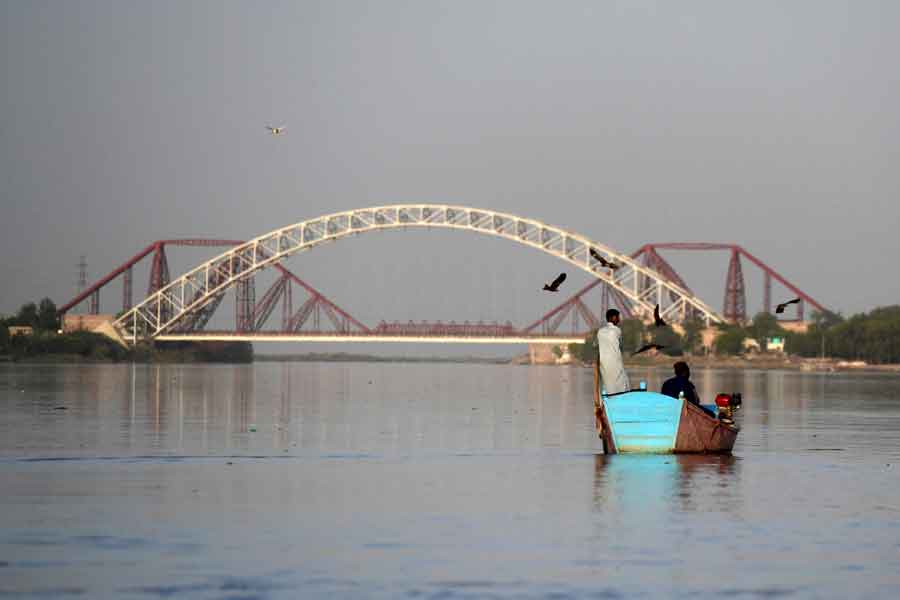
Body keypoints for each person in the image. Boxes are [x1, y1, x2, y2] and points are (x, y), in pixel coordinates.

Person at [596, 309, 630, 394]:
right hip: (615, 362)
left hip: (603, 363)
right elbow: (620, 345)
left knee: (607, 385)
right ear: (614, 317)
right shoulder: (617, 330)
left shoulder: (600, 332)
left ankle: (608, 402)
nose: (619, 319)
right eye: (618, 317)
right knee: (621, 383)